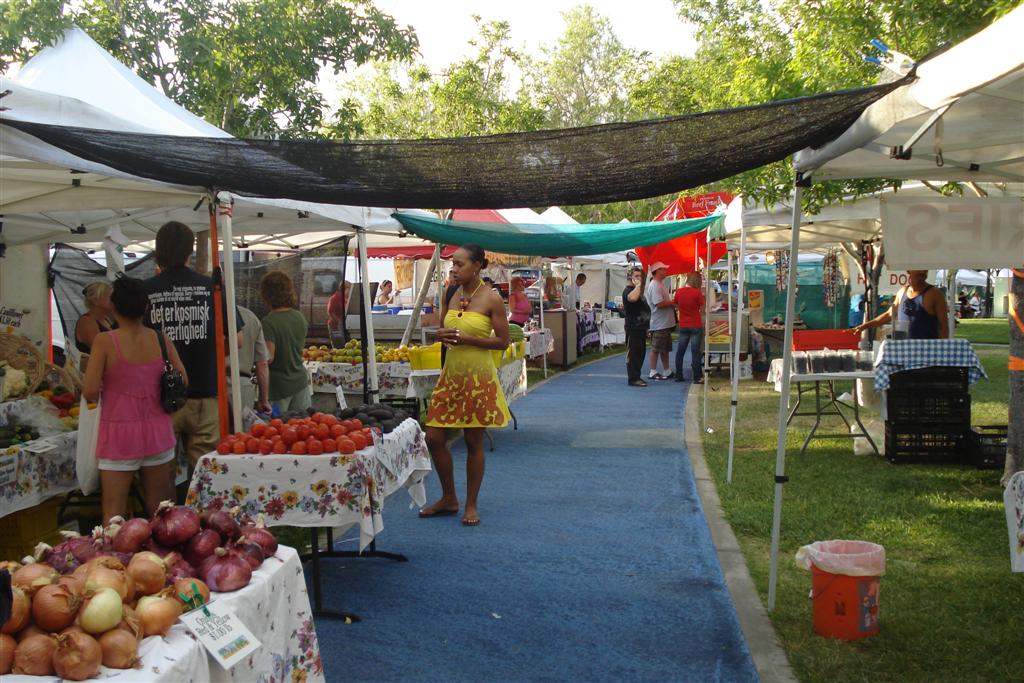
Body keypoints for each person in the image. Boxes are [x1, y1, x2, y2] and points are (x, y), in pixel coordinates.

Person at [419, 244, 510, 527]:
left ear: (478, 265)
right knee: (433, 438)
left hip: (478, 377)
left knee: (473, 442)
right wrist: (441, 334)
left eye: (460, 264)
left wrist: (468, 340)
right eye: (453, 264)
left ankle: (471, 504)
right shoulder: (450, 292)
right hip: (451, 375)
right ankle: (449, 498)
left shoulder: (492, 298)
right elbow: (445, 329)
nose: (454, 269)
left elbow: (503, 341)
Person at [83, 276, 185, 523]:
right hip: (158, 430)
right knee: (160, 513)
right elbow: (183, 379)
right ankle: (160, 559)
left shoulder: (105, 341)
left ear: (114, 307)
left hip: (118, 433)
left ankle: (114, 560)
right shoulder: (161, 339)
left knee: (114, 515)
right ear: (146, 308)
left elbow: (89, 391)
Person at [146, 221, 235, 467]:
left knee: (162, 473)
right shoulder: (212, 289)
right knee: (206, 474)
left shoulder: (144, 290)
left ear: (158, 249)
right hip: (206, 395)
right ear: (190, 250)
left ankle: (167, 507)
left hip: (160, 397)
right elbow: (235, 340)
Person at [260, 271, 312, 413]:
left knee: (279, 430)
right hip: (300, 381)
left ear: (266, 294)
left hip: (279, 388)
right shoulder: (299, 317)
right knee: (303, 427)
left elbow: (268, 357)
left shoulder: (268, 322)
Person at [852, 270, 948, 340]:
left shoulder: (935, 294)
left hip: (926, 350)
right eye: (919, 268)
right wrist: (865, 326)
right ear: (908, 271)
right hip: (904, 348)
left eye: (925, 269)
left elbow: (943, 325)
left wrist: (942, 348)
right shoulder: (902, 292)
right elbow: (889, 315)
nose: (923, 271)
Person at [230, 306, 271, 415]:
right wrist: (264, 399)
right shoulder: (251, 317)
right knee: (242, 430)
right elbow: (262, 363)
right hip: (243, 386)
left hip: (212, 387)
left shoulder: (206, 312)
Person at [644, 262, 676, 380]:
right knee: (656, 348)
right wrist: (673, 302)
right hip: (659, 323)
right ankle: (653, 371)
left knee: (664, 348)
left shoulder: (659, 284)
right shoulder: (655, 285)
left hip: (663, 323)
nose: (666, 270)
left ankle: (666, 370)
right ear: (657, 271)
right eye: (664, 269)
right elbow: (659, 303)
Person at [674, 272, 706, 384]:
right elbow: (702, 309)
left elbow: (676, 305)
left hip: (683, 324)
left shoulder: (678, 292)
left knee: (680, 351)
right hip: (695, 324)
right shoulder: (697, 293)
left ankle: (679, 375)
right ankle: (697, 377)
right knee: (695, 352)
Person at [623, 266, 651, 387]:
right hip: (633, 327)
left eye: (640, 276)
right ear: (630, 277)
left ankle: (637, 376)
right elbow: (632, 299)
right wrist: (638, 286)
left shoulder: (636, 289)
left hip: (640, 327)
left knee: (640, 352)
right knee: (634, 353)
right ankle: (633, 378)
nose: (639, 278)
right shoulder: (629, 290)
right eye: (636, 276)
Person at [75, 281, 117, 355]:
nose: (113, 300)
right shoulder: (87, 322)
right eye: (109, 297)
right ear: (95, 301)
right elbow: (101, 350)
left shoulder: (105, 319)